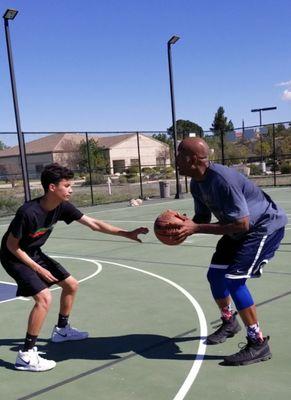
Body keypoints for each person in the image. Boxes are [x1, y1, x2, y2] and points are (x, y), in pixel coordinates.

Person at [0, 163, 148, 372]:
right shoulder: (28, 212)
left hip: (33, 252)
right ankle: (26, 355)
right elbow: (11, 246)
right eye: (67, 185)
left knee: (71, 285)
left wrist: (127, 233)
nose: (71, 189)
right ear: (52, 187)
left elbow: (94, 224)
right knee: (44, 298)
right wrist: (38, 269)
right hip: (13, 257)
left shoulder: (62, 206)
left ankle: (61, 330)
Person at [175, 137, 287, 366]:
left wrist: (195, 228)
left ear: (193, 159)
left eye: (179, 155)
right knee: (215, 275)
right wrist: (183, 225)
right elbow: (203, 218)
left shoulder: (222, 180)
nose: (175, 160)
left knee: (235, 281)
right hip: (237, 228)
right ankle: (229, 322)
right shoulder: (196, 183)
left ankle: (258, 343)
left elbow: (242, 224)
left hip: (263, 227)